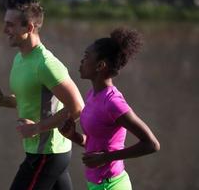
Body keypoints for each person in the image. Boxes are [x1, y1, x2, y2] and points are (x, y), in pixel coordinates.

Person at [0, 0, 84, 190]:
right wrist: (4, 101)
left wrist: (36, 129)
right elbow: (33, 101)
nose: (4, 30)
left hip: (47, 155)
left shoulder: (46, 65)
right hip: (47, 153)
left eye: (10, 25)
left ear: (29, 28)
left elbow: (77, 108)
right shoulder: (20, 59)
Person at [59, 28, 160, 190]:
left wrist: (107, 158)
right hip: (96, 184)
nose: (81, 61)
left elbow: (152, 144)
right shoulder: (92, 94)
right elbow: (97, 146)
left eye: (86, 57)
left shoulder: (113, 102)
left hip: (112, 185)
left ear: (100, 65)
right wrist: (73, 136)